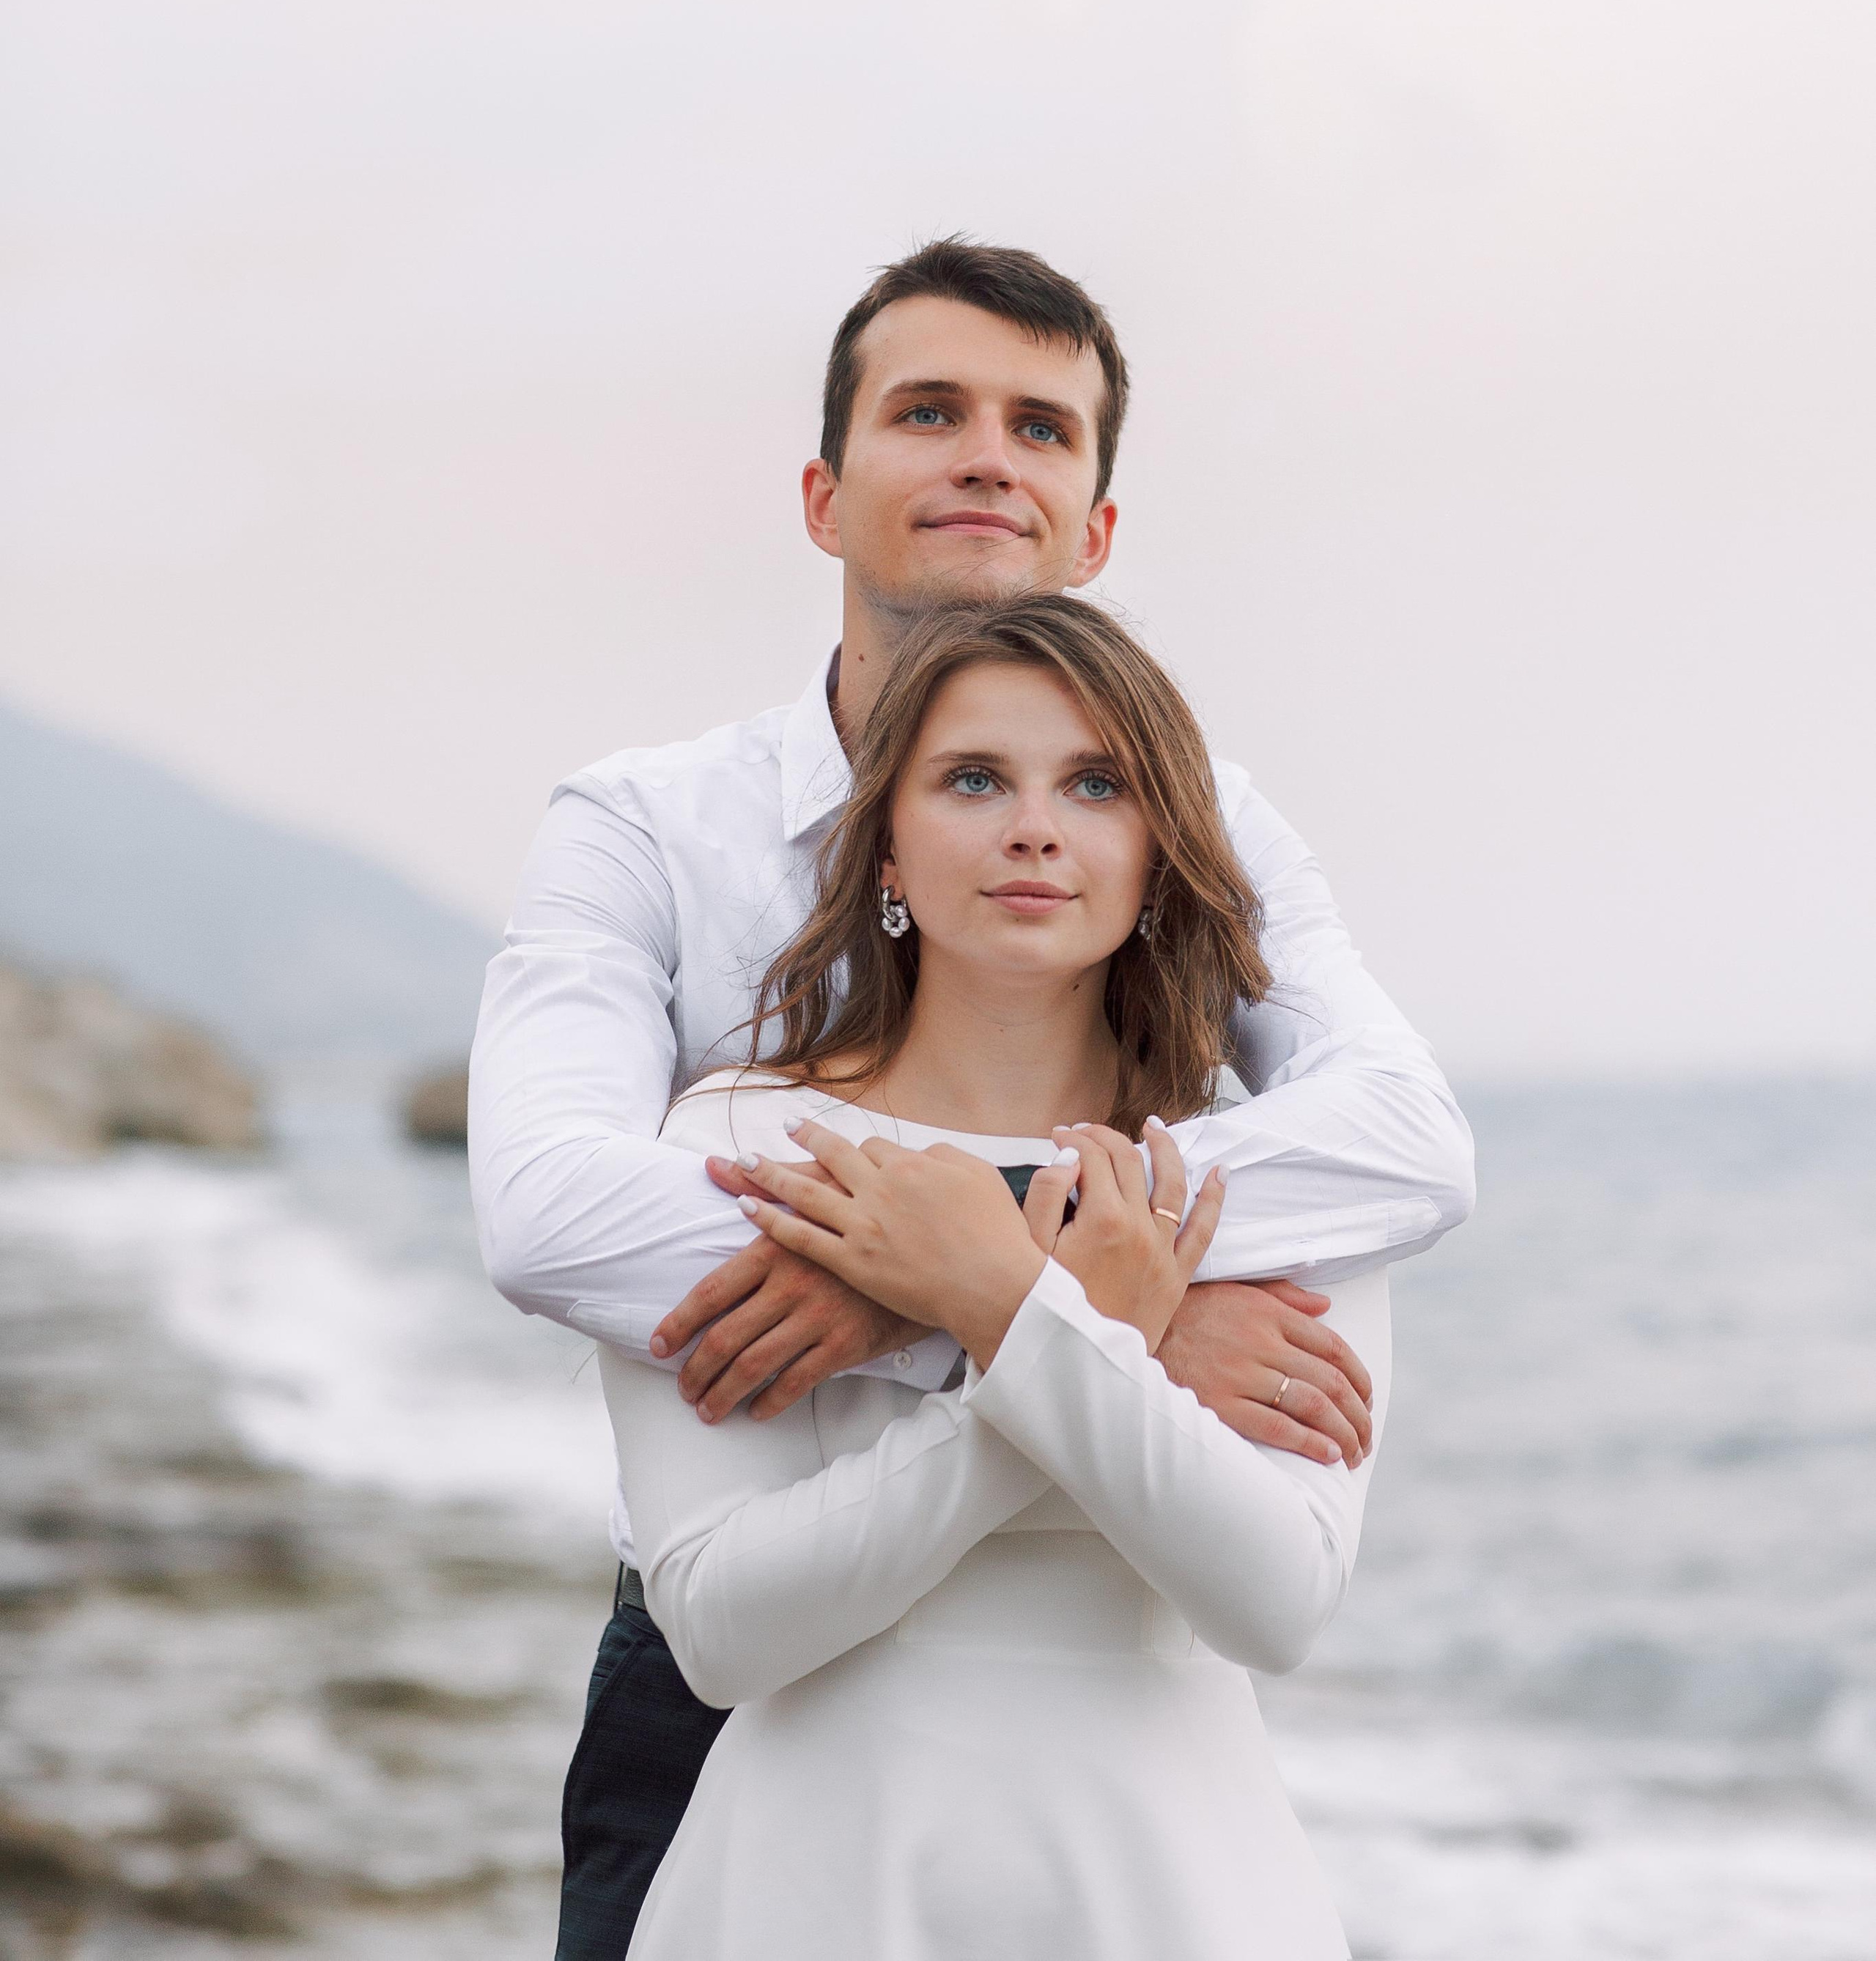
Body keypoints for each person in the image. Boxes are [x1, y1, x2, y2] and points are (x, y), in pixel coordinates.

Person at [468, 237, 1471, 1957]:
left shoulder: (1200, 813)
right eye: (927, 412)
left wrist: (997, 1282)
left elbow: (1397, 1136)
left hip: (1122, 1771)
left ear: (1094, 526)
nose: (984, 457)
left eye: (1041, 427)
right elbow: (552, 1211)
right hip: (737, 1667)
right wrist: (1059, 1298)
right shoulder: (646, 823)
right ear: (823, 491)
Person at [605, 594, 1392, 1959]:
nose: (1035, 825)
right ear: (886, 847)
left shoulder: (1264, 1164)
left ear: (1158, 854)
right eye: (975, 779)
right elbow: (724, 1631)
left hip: (1174, 1895)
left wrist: (1014, 1309)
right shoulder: (741, 1140)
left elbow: (1276, 1601)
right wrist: (1077, 1332)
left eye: (1096, 784)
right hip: (814, 1887)